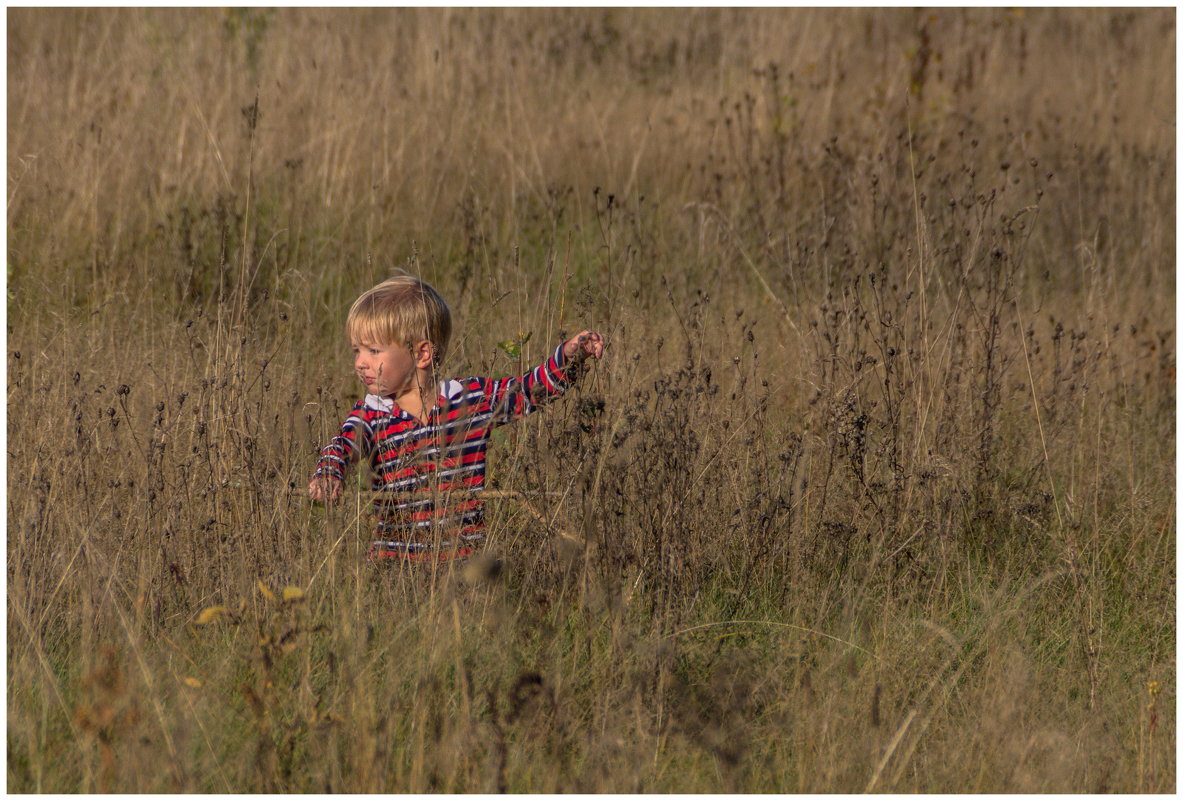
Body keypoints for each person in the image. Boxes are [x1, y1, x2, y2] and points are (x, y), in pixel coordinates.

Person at [308, 274, 605, 562]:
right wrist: (329, 472)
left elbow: (528, 391)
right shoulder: (371, 413)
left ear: (422, 353)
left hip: (463, 566)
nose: (360, 363)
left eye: (373, 350)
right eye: (356, 350)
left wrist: (569, 358)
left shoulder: (468, 399)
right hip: (394, 566)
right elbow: (343, 445)